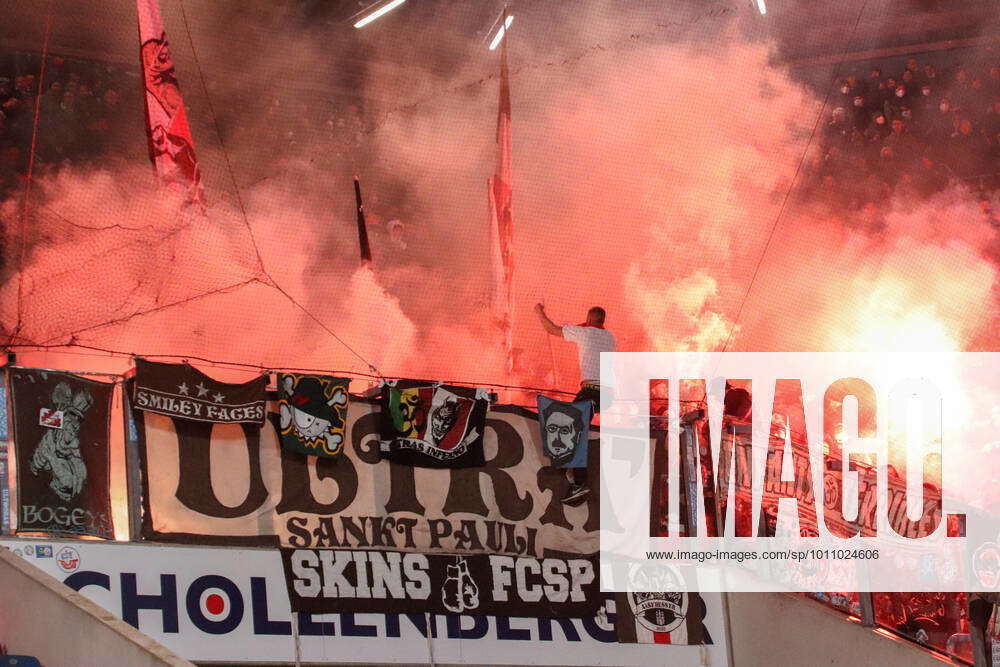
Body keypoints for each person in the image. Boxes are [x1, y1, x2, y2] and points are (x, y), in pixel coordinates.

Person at [534, 302, 617, 503]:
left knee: (571, 427)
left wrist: (540, 312)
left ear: (589, 318)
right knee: (575, 426)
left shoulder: (585, 332)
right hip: (605, 393)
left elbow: (551, 329)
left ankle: (578, 482)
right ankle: (566, 469)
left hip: (592, 391)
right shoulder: (609, 337)